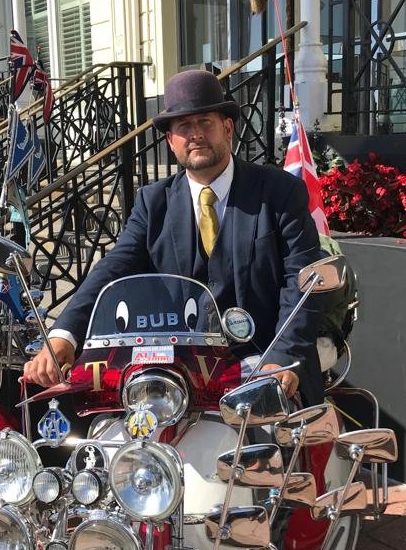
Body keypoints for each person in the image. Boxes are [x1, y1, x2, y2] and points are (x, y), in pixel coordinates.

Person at [24, 70, 326, 400]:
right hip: (181, 380)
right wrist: (64, 335)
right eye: (183, 127)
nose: (195, 134)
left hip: (267, 369)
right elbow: (112, 270)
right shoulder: (153, 203)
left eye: (205, 122)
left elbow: (301, 281)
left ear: (227, 128)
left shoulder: (280, 192)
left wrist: (282, 358)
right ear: (171, 142)